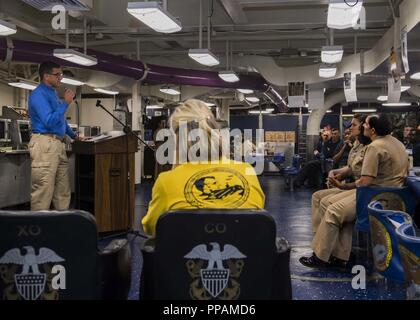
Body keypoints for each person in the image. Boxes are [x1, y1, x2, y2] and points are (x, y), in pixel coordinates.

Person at [299, 114, 409, 270]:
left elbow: (365, 182)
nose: (363, 126)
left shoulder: (375, 147)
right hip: (393, 195)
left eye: (365, 124)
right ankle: (338, 254)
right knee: (328, 204)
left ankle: (321, 257)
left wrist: (342, 186)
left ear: (373, 129)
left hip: (374, 196)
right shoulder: (397, 143)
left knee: (333, 211)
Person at [141, 99, 265, 237]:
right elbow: (257, 220)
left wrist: (176, 170)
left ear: (177, 140)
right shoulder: (247, 171)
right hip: (243, 256)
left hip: (184, 257)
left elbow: (151, 228)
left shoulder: (166, 181)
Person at [28, 61, 79, 211]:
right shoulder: (38, 95)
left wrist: (74, 136)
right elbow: (50, 121)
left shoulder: (53, 93)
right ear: (46, 76)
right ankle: (38, 231)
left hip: (58, 144)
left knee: (62, 191)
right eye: (57, 75)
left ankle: (61, 228)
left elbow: (60, 120)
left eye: (61, 74)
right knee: (43, 192)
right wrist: (66, 103)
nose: (60, 78)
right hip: (45, 144)